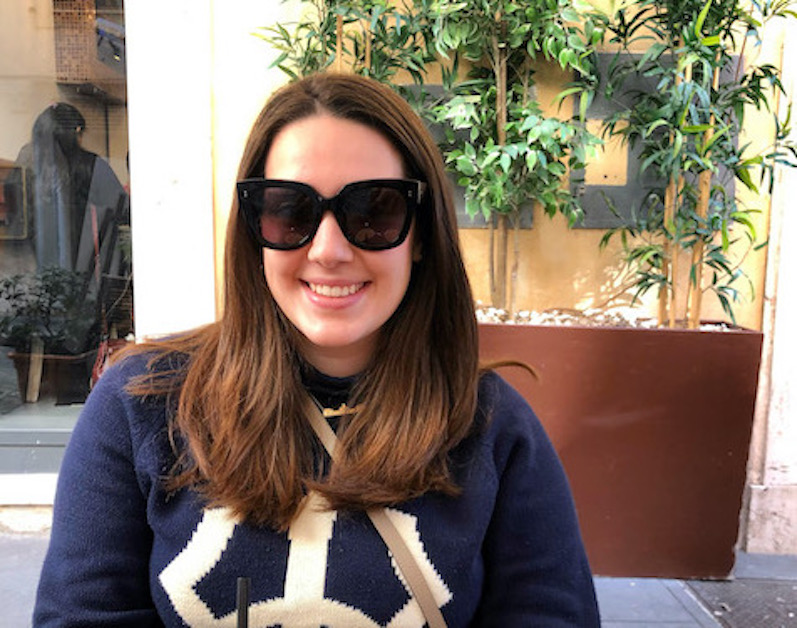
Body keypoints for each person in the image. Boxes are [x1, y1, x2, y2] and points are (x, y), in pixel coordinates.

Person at [34, 73, 600, 627]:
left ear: (422, 234)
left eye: (375, 211)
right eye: (289, 210)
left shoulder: (491, 427)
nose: (329, 250)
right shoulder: (140, 405)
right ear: (254, 230)